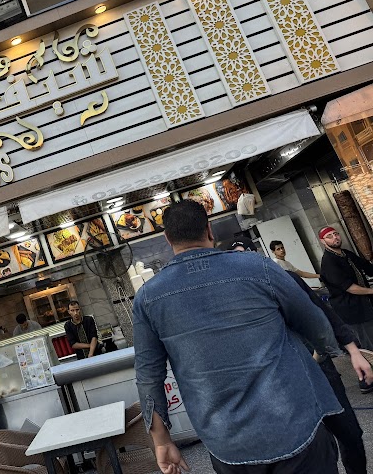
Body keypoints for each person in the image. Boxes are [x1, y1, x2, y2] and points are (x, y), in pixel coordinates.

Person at [134, 200, 342, 474]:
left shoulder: (148, 297)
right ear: (209, 230)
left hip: (226, 441)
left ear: (167, 239)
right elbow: (315, 324)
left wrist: (161, 441)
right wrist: (324, 352)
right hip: (294, 422)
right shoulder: (258, 267)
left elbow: (148, 376)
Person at [234, 234, 373, 473]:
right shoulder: (237, 295)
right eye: (236, 257)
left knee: (350, 432)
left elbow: (322, 312)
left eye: (245, 254)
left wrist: (352, 349)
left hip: (319, 368)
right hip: (284, 381)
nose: (243, 261)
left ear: (256, 254)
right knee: (317, 445)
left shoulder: (285, 278)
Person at [319, 226, 373, 350]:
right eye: (329, 236)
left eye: (336, 234)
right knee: (370, 341)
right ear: (323, 241)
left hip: (366, 302)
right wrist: (371, 291)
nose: (335, 238)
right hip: (353, 309)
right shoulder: (329, 262)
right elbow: (349, 288)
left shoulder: (346, 254)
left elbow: (368, 268)